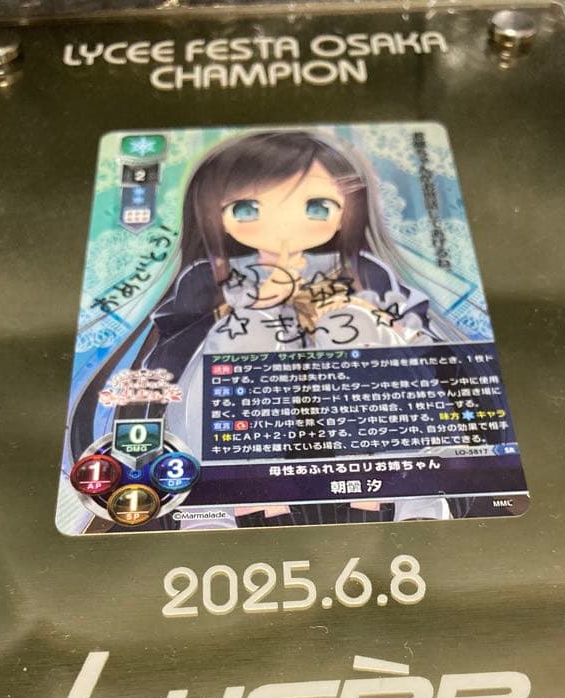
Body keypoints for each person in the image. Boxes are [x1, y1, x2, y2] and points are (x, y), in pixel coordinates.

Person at [71, 129, 469, 527]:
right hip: (248, 407)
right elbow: (175, 345)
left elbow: (409, 320)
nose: (282, 226)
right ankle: (218, 505)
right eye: (248, 209)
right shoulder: (213, 278)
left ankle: (413, 498)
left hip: (347, 398)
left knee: (359, 329)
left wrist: (392, 333)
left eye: (315, 207)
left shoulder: (359, 271)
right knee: (243, 337)